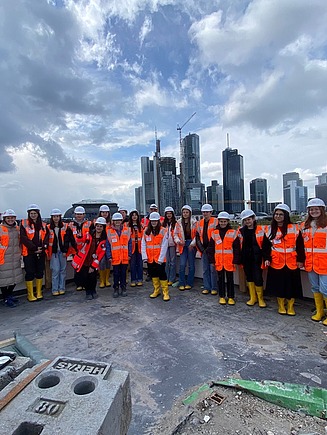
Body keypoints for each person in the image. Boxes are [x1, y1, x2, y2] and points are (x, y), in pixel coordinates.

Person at [264, 204, 304, 315]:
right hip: (276, 261)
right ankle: (281, 305)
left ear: (286, 215)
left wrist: (301, 260)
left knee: (292, 285)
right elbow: (266, 246)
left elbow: (300, 245)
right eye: (276, 214)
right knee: (279, 285)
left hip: (292, 261)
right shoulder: (269, 229)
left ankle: (290, 306)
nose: (278, 216)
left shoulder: (295, 228)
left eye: (281, 214)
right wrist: (267, 258)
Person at [301, 198, 327, 325]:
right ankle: (319, 311)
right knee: (315, 288)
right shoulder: (304, 226)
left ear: (322, 210)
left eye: (316, 209)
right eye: (311, 209)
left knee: (325, 289)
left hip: (324, 264)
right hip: (310, 263)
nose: (314, 211)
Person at [237, 209, 269, 308]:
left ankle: (260, 299)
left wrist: (267, 258)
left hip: (257, 259)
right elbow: (237, 245)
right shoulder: (241, 231)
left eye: (249, 219)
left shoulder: (260, 230)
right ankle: (253, 297)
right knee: (249, 277)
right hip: (246, 259)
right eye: (245, 220)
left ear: (253, 219)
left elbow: (266, 246)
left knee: (258, 278)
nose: (247, 222)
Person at [71, 217, 107, 300]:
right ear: (95, 226)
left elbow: (101, 254)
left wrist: (93, 266)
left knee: (93, 277)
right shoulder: (88, 235)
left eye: (101, 226)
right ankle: (88, 292)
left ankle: (93, 291)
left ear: (103, 228)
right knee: (85, 276)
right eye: (97, 226)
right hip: (84, 260)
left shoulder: (104, 240)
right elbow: (79, 246)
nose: (99, 228)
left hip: (94, 261)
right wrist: (79, 238)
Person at [209, 212, 239, 305]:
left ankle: (231, 297)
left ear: (227, 222)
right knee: (220, 279)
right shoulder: (214, 233)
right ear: (219, 222)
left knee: (230, 280)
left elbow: (237, 248)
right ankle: (222, 296)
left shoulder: (233, 233)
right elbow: (211, 248)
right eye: (221, 221)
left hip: (229, 261)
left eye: (224, 221)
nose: (223, 223)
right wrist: (212, 260)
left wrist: (236, 260)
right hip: (219, 261)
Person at [20, 204, 49, 302]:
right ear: (29, 214)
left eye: (35, 213)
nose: (33, 215)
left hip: (41, 252)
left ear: (38, 214)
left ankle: (39, 292)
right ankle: (30, 294)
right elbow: (24, 238)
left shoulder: (43, 225)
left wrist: (43, 247)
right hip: (29, 253)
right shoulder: (24, 224)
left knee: (40, 272)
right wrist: (34, 248)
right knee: (30, 273)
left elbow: (47, 237)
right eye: (31, 213)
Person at [47, 208, 76, 296]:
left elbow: (68, 239)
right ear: (52, 218)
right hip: (53, 252)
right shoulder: (48, 227)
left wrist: (65, 250)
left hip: (62, 252)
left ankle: (62, 288)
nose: (56, 218)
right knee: (55, 270)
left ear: (60, 217)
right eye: (54, 217)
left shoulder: (65, 227)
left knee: (62, 270)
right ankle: (55, 289)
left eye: (57, 216)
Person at [141, 212, 169, 301]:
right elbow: (143, 244)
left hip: (159, 258)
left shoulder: (163, 230)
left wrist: (161, 258)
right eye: (152, 221)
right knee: (153, 274)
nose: (153, 223)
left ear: (158, 221)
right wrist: (144, 256)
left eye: (155, 221)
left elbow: (164, 245)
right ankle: (156, 290)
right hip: (150, 258)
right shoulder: (146, 231)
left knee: (162, 274)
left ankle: (165, 292)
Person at [0, 209, 23, 307]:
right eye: (8, 218)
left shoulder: (17, 229)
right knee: (4, 279)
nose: (10, 219)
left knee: (14, 278)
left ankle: (9, 295)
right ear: (4, 219)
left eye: (12, 218)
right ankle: (6, 298)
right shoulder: (0, 228)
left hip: (15, 257)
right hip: (3, 258)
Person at [106, 213, 132, 297]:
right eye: (116, 220)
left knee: (123, 273)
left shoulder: (127, 230)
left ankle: (123, 287)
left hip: (124, 257)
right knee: (116, 274)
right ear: (113, 221)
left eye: (119, 220)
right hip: (115, 257)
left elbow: (130, 243)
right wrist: (109, 256)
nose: (117, 222)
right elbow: (108, 245)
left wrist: (129, 254)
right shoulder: (109, 231)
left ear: (121, 221)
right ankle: (116, 288)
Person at [195, 204, 218, 295]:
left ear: (211, 212)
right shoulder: (199, 223)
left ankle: (214, 288)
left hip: (213, 250)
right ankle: (206, 287)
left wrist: (211, 248)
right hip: (204, 250)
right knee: (205, 270)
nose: (205, 214)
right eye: (204, 212)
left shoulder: (216, 222)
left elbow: (218, 235)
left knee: (213, 269)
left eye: (207, 212)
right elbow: (197, 237)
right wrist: (201, 248)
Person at [68, 206, 91, 291]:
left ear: (84, 215)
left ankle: (85, 283)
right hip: (75, 250)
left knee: (85, 267)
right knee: (77, 267)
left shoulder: (89, 224)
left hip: (86, 250)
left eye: (80, 214)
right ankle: (78, 284)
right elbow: (69, 237)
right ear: (74, 215)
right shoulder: (70, 225)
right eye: (77, 214)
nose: (79, 216)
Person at [174, 205, 197, 290]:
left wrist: (193, 243)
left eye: (187, 212)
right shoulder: (178, 222)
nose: (185, 214)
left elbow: (197, 235)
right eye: (184, 212)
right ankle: (181, 282)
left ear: (190, 213)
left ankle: (190, 283)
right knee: (182, 264)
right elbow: (175, 234)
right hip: (182, 245)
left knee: (191, 265)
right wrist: (178, 241)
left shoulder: (194, 222)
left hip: (191, 244)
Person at [93, 205, 111, 289]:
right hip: (100, 246)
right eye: (103, 212)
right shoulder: (95, 222)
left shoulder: (111, 223)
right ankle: (102, 280)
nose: (105, 214)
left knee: (108, 262)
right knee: (101, 262)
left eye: (106, 212)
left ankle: (106, 280)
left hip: (109, 245)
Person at [162, 206, 178, 285]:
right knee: (166, 262)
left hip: (172, 244)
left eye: (170, 213)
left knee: (172, 262)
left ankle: (172, 278)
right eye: (167, 213)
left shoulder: (175, 223)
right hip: (165, 244)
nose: (168, 215)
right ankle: (166, 278)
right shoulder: (163, 224)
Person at [128, 209, 143, 287]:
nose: (134, 217)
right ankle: (133, 280)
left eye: (135, 215)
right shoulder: (128, 226)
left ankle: (140, 279)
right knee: (133, 265)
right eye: (133, 215)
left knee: (140, 264)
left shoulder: (141, 226)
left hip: (140, 248)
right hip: (132, 248)